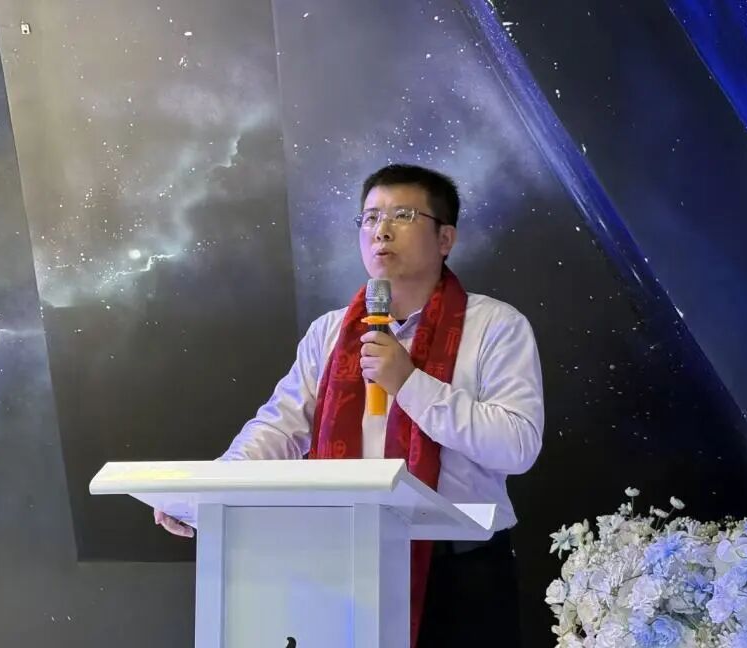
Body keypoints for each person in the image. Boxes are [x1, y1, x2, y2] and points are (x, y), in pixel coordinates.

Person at [155, 163, 544, 647]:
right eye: (370, 218)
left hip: (462, 574)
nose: (381, 230)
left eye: (403, 215)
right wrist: (211, 490)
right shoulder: (331, 331)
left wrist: (409, 383)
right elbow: (279, 429)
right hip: (345, 564)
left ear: (445, 238)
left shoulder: (496, 326)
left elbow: (517, 446)